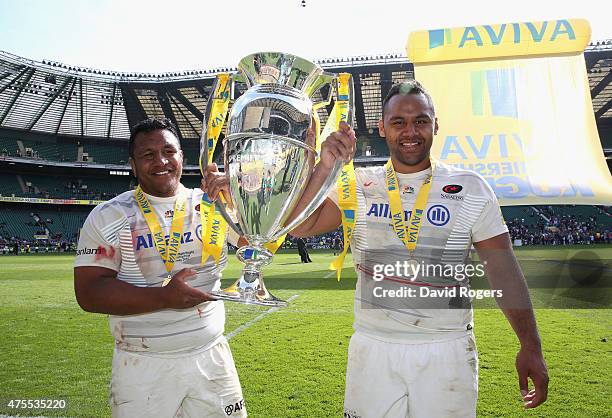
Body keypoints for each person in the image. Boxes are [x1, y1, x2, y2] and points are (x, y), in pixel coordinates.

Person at [290, 81, 548, 417]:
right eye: (398, 122)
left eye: (421, 121)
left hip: (447, 348)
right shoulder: (358, 186)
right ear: (382, 127)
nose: (410, 131)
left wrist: (531, 344)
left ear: (436, 125)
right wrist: (325, 167)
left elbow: (503, 271)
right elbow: (299, 226)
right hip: (374, 346)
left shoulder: (470, 187)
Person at [74, 117, 246, 418]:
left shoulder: (211, 204)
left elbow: (255, 247)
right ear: (133, 164)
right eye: (148, 155)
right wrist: (163, 299)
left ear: (182, 157)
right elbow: (89, 292)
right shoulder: (108, 215)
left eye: (169, 151)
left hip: (211, 358)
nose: (161, 161)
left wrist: (241, 203)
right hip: (142, 365)